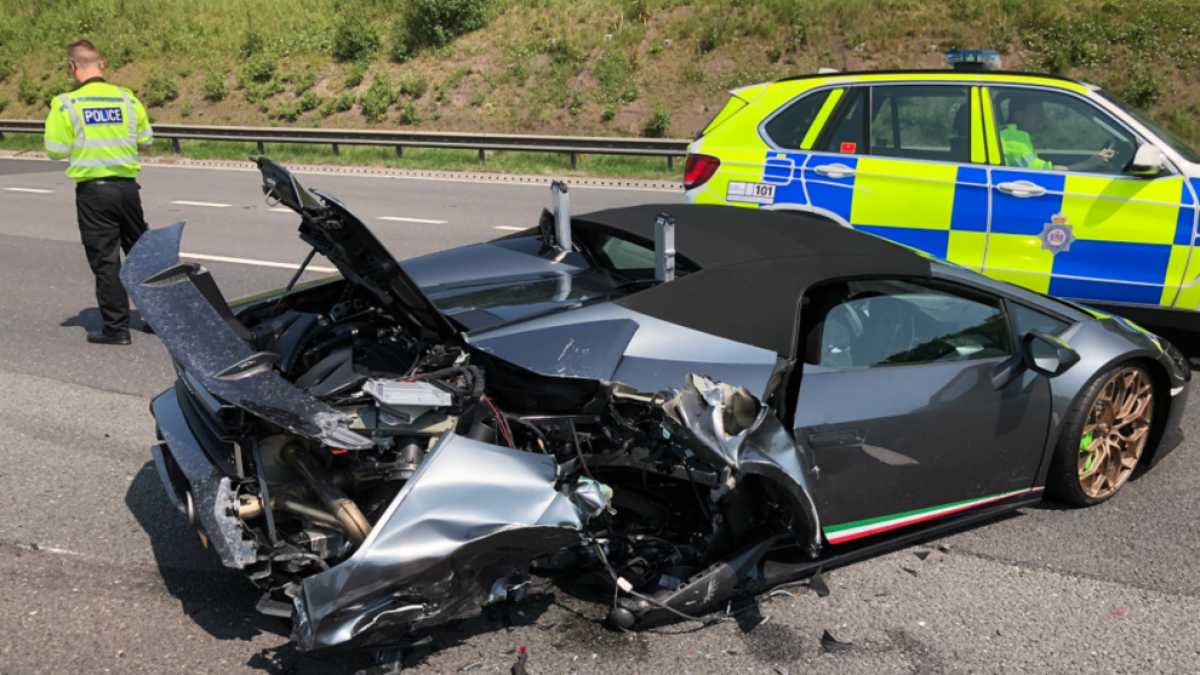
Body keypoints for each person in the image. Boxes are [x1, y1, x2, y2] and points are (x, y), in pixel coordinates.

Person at [44, 39, 154, 345]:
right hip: (129, 190)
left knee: (106, 261)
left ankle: (116, 330)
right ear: (101, 64)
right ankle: (162, 320)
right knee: (141, 257)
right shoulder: (127, 99)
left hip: (94, 193)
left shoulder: (66, 103)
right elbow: (145, 142)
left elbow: (55, 150)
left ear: (72, 67)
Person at [999, 94, 1115, 172]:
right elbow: (1042, 172)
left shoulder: (1012, 134)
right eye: (1036, 113)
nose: (1041, 118)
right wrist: (1087, 164)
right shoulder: (1012, 140)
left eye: (1041, 113)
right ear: (1018, 116)